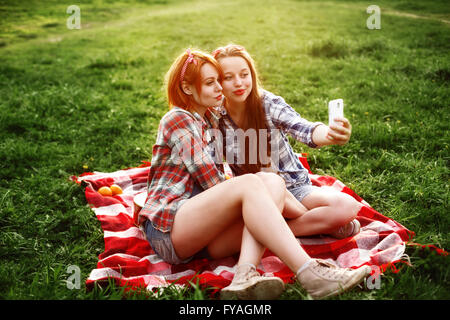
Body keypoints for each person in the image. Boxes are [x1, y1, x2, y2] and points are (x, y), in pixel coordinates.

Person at [138, 48, 370, 300]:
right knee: (256, 183)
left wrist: (329, 133)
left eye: (219, 80)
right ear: (187, 88)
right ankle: (310, 274)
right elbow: (213, 184)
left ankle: (243, 277)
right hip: (168, 229)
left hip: (201, 237)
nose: (220, 88)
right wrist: (258, 197)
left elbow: (302, 127)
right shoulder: (178, 119)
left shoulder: (210, 118)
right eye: (211, 82)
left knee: (268, 186)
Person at [213, 44, 363, 239]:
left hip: (295, 188)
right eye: (228, 77)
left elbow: (302, 127)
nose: (239, 83)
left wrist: (329, 134)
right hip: (254, 196)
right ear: (217, 82)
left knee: (346, 206)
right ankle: (309, 224)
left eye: (244, 74)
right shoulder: (215, 116)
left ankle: (272, 230)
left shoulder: (267, 103)